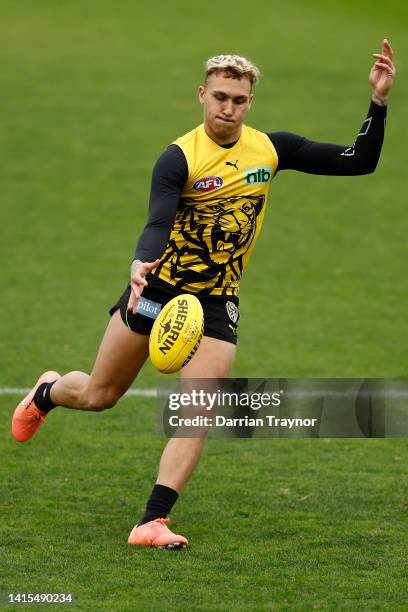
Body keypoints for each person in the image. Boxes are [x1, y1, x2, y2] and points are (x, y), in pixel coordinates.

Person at [12, 41, 396, 549]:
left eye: (238, 99)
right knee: (99, 395)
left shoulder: (270, 148)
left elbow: (359, 161)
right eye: (219, 97)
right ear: (202, 95)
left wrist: (379, 101)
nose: (228, 109)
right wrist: (139, 264)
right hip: (158, 288)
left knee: (199, 410)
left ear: (250, 101)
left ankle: (151, 521)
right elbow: (157, 221)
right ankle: (48, 392)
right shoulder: (179, 156)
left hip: (217, 300)